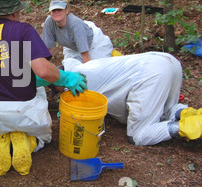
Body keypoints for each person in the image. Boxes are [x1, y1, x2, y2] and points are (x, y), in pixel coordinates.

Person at [0, 0, 87, 176]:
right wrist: (67, 78)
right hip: (23, 112)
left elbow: (3, 72)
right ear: (15, 13)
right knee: (41, 134)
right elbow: (43, 70)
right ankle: (26, 142)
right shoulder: (23, 29)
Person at [61, 52, 201, 146]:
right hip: (168, 61)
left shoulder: (75, 82)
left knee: (138, 136)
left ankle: (189, 126)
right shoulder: (83, 66)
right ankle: (189, 114)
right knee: (165, 110)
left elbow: (78, 112)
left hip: (151, 74)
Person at [42, 0, 114, 63]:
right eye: (53, 10)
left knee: (96, 69)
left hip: (94, 44)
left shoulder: (75, 25)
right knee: (70, 69)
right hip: (72, 46)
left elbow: (85, 55)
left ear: (66, 11)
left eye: (59, 9)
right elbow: (48, 50)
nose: (56, 12)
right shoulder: (49, 22)